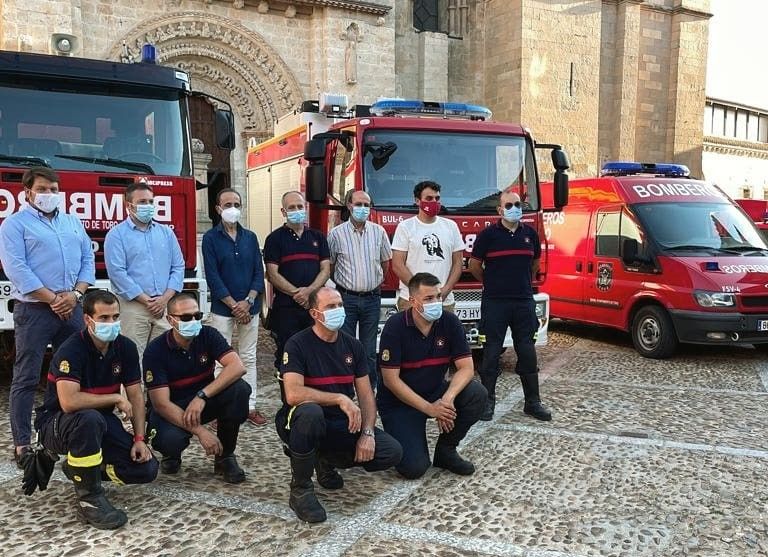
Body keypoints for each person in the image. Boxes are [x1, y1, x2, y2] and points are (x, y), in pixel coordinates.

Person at [277, 286, 402, 523]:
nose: (338, 311)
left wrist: (367, 433)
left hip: (339, 421)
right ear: (315, 314)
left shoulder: (352, 346)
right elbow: (293, 394)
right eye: (331, 307)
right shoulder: (298, 344)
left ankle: (322, 459)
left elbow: (366, 395)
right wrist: (339, 398)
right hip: (300, 419)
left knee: (390, 452)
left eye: (340, 305)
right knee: (311, 413)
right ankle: (301, 489)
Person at [36, 290, 158, 530]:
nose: (111, 323)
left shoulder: (125, 348)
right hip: (58, 422)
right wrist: (114, 397)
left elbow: (135, 395)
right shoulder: (71, 350)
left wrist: (140, 439)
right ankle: (89, 499)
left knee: (146, 469)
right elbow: (69, 402)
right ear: (87, 320)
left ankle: (78, 468)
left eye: (115, 317)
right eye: (103, 318)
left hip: (98, 421)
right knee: (89, 420)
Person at [0, 166, 95, 468]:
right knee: (27, 377)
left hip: (73, 306)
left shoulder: (72, 221)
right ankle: (22, 443)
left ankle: (62, 433)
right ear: (27, 192)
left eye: (54, 189)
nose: (50, 195)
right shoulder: (14, 225)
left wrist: (76, 295)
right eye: (43, 189)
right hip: (35, 311)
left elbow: (87, 259)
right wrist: (54, 299)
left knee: (73, 374)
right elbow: (17, 268)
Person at [377, 272, 486, 479]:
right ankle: (386, 438)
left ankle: (446, 451)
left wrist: (447, 400)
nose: (436, 302)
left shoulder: (450, 322)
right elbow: (391, 381)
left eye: (438, 296)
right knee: (414, 468)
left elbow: (466, 368)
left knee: (476, 393)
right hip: (400, 403)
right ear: (413, 301)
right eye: (428, 299)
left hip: (435, 393)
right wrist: (430, 409)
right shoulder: (395, 327)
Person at [142, 293, 251, 483]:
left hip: (201, 401)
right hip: (172, 407)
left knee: (239, 390)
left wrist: (201, 396)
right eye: (185, 317)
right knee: (169, 441)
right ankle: (171, 454)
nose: (193, 321)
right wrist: (201, 432)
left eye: (197, 316)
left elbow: (237, 367)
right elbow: (161, 404)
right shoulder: (155, 351)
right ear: (170, 320)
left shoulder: (208, 334)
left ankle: (225, 455)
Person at [468, 190, 551, 422]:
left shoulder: (530, 234)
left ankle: (533, 402)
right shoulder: (487, 236)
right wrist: (493, 283)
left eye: (517, 204)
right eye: (509, 205)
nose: (515, 208)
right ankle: (487, 402)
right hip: (495, 302)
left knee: (527, 352)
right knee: (491, 354)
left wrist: (519, 282)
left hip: (523, 301)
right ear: (499, 210)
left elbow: (534, 264)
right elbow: (475, 266)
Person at [202, 188, 266, 426]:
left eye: (236, 204)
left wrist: (248, 302)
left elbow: (259, 273)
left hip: (250, 307)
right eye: (227, 204)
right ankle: (220, 409)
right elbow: (213, 276)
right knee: (221, 359)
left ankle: (249, 407)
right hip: (222, 308)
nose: (232, 209)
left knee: (249, 357)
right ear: (218, 208)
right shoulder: (210, 239)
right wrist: (232, 304)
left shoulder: (250, 237)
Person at [104, 182, 184, 359]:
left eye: (150, 201)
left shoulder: (166, 233)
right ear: (129, 206)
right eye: (142, 202)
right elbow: (117, 273)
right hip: (134, 308)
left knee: (164, 359)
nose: (147, 206)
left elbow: (178, 267)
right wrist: (147, 301)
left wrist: (164, 299)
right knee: (133, 360)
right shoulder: (116, 235)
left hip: (164, 307)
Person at [328, 190, 392, 387]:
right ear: (349, 205)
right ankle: (346, 388)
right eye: (359, 204)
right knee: (345, 347)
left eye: (367, 205)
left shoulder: (378, 232)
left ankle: (368, 391)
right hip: (346, 298)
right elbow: (330, 266)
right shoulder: (336, 234)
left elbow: (386, 263)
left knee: (369, 350)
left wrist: (375, 283)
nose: (363, 209)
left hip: (372, 298)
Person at [263, 191, 330, 369]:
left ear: (305, 208)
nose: (297, 210)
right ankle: (289, 395)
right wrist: (297, 293)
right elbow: (272, 274)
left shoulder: (318, 237)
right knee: (287, 355)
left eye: (300, 206)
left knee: (316, 354)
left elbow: (325, 269)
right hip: (286, 309)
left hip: (314, 307)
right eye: (291, 207)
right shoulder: (274, 239)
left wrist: (309, 292)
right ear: (283, 211)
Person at [391, 181, 464, 312]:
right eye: (429, 198)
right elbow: (397, 264)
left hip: (444, 302)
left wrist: (445, 290)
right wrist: (420, 291)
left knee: (444, 333)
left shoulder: (451, 226)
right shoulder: (405, 227)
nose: (434, 202)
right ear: (417, 201)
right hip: (412, 301)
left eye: (437, 198)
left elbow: (458, 263)